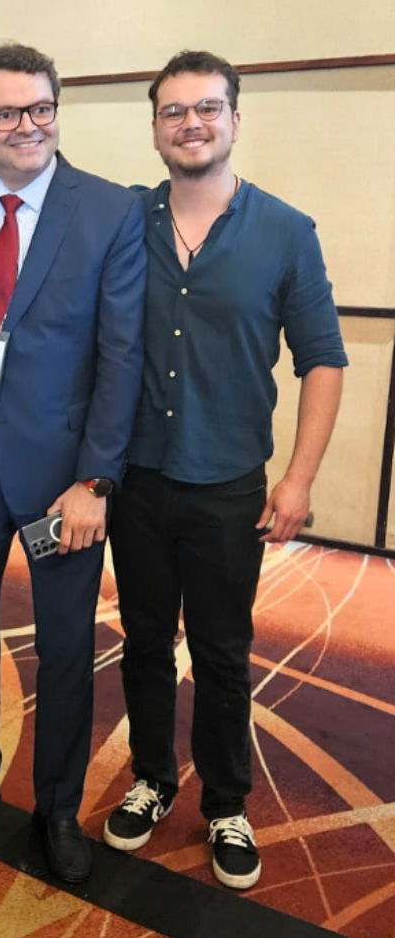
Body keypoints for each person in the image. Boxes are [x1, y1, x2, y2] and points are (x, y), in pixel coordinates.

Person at [102, 49, 346, 888]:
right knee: (142, 641)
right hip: (136, 478)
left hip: (228, 485)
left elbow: (323, 359)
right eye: (174, 110)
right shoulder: (124, 219)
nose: (192, 123)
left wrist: (300, 478)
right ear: (155, 129)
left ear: (235, 119)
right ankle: (151, 777)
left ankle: (226, 800)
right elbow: (41, 186)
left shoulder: (286, 231)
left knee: (221, 651)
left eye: (208, 107)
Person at [0, 42, 147, 884]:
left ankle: (58, 807)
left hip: (60, 480)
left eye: (40, 108)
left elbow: (121, 354)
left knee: (67, 647)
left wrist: (97, 479)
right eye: (5, 113)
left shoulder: (109, 210)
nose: (26, 126)